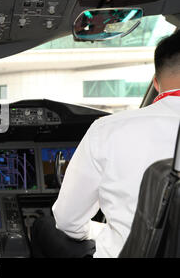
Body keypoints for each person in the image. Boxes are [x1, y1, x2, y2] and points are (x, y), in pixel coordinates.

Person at [31, 30, 180, 258]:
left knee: (43, 225)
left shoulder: (108, 129)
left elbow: (68, 221)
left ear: (156, 83)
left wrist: (100, 231)